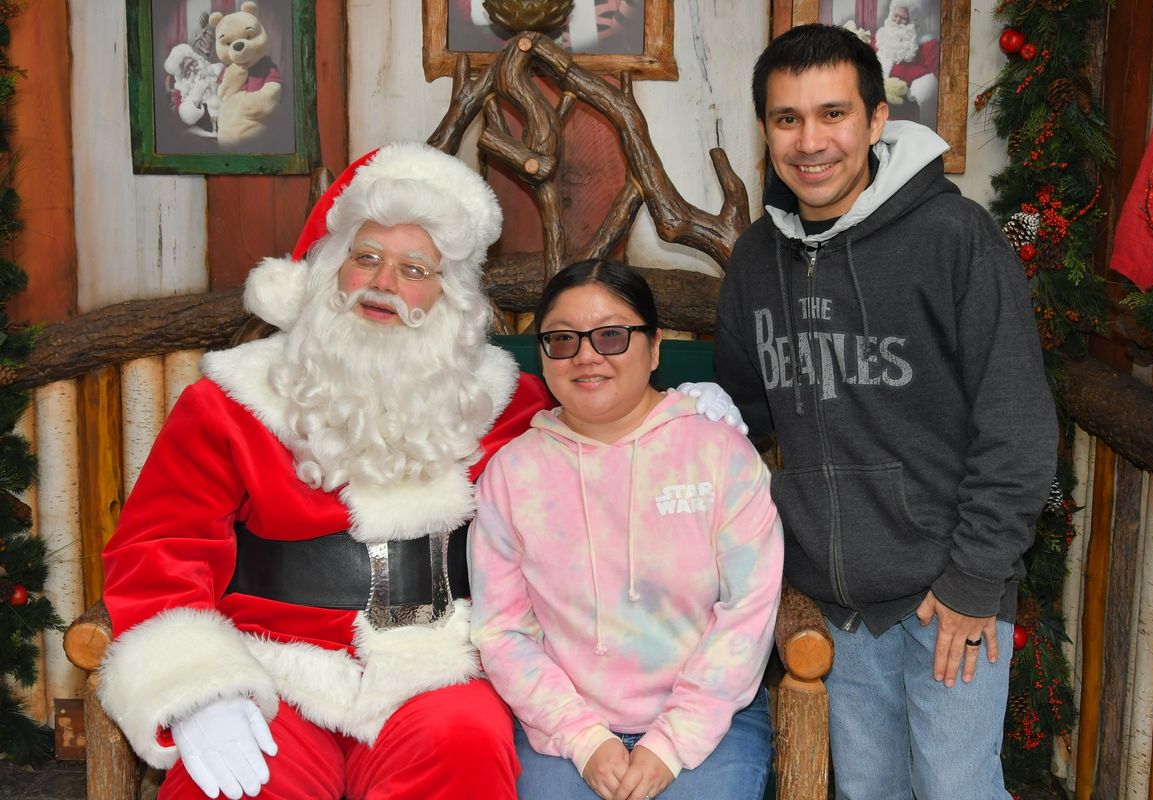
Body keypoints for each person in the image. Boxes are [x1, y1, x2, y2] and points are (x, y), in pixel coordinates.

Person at [98, 142, 556, 800]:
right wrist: (197, 687)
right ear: (327, 270)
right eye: (365, 257)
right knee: (234, 787)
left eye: (413, 268)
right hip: (273, 669)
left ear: (449, 296)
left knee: (466, 744)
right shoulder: (232, 403)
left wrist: (681, 415)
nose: (383, 284)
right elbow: (159, 547)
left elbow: (588, 481)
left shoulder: (505, 407)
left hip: (438, 667)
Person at [714, 24, 1057, 800]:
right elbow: (734, 414)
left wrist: (974, 579)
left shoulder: (953, 237)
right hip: (838, 608)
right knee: (869, 792)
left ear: (875, 121)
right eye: (787, 119)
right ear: (765, 129)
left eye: (833, 114)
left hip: (950, 591)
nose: (811, 141)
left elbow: (1020, 427)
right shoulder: (757, 261)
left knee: (954, 789)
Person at [470, 259, 784, 800]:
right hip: (562, 723)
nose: (587, 355)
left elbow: (748, 613)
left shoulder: (718, 454)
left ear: (655, 346)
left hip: (707, 719)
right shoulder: (512, 474)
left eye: (612, 335)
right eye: (562, 340)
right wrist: (584, 738)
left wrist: (670, 743)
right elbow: (502, 631)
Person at [873, 0, 940, 128]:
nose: (897, 21)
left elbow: (943, 79)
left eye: (903, 18)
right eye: (895, 16)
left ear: (914, 22)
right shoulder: (880, 38)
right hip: (875, 118)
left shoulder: (928, 46)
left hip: (905, 121)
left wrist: (920, 87)